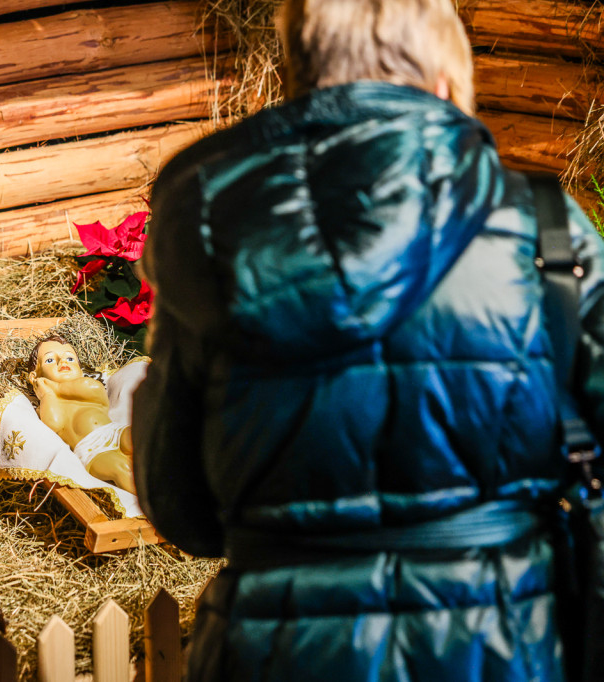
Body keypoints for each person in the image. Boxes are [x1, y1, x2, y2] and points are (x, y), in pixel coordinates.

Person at [132, 0, 604, 679]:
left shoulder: (208, 227)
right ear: (445, 81)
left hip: (273, 652)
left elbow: (180, 507)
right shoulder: (545, 230)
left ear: (298, 76)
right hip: (500, 642)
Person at [27, 335, 135, 493]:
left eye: (70, 358)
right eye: (50, 360)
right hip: (93, 452)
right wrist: (47, 395)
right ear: (34, 377)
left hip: (114, 432)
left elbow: (91, 388)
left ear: (80, 368)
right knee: (120, 466)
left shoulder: (88, 386)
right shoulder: (47, 404)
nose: (62, 362)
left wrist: (55, 388)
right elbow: (54, 424)